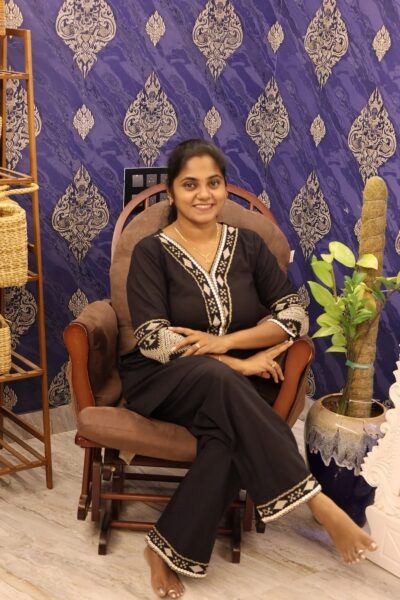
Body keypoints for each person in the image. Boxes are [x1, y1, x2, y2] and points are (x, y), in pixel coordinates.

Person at [119, 140, 377, 599]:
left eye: (213, 183)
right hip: (164, 380)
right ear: (171, 192)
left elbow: (294, 315)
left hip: (234, 387)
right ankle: (318, 503)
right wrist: (236, 365)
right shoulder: (150, 252)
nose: (204, 194)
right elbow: (155, 340)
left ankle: (162, 551)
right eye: (190, 184)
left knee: (226, 438)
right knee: (218, 379)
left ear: (224, 187)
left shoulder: (249, 246)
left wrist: (228, 343)